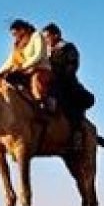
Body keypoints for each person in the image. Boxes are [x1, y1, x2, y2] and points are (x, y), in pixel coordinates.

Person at [42, 22, 94, 150]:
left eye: (48, 36)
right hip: (49, 82)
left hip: (66, 82)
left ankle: (77, 135)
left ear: (56, 35)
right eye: (44, 38)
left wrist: (58, 76)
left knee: (72, 105)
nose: (46, 40)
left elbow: (72, 66)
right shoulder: (45, 52)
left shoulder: (69, 48)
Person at [0, 19, 54, 112]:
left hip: (40, 69)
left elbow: (38, 55)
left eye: (15, 34)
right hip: (24, 71)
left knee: (36, 81)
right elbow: (9, 61)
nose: (14, 36)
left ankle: (43, 104)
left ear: (22, 30)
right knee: (2, 81)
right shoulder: (17, 45)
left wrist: (22, 67)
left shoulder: (37, 36)